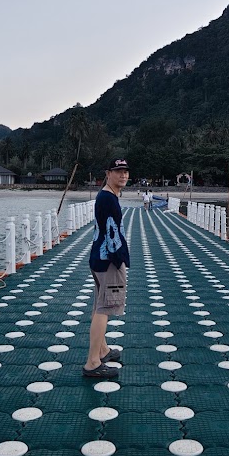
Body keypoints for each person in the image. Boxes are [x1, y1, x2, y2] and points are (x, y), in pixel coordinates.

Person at [83, 158, 131, 378]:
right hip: (108, 261)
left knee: (99, 306)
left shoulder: (106, 196)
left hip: (99, 258)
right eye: (118, 171)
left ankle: (102, 350)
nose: (123, 175)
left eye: (126, 171)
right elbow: (112, 235)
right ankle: (93, 362)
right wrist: (119, 260)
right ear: (108, 173)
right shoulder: (108, 199)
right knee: (104, 308)